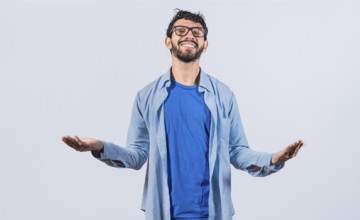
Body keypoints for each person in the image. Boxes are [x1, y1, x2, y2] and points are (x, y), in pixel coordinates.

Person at [62, 9, 304, 220]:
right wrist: (100, 147)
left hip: (214, 213)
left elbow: (237, 151)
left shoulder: (224, 95)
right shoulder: (146, 96)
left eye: (197, 32)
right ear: (168, 41)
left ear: (205, 44)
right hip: (163, 212)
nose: (189, 35)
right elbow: (136, 155)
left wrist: (274, 159)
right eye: (181, 30)